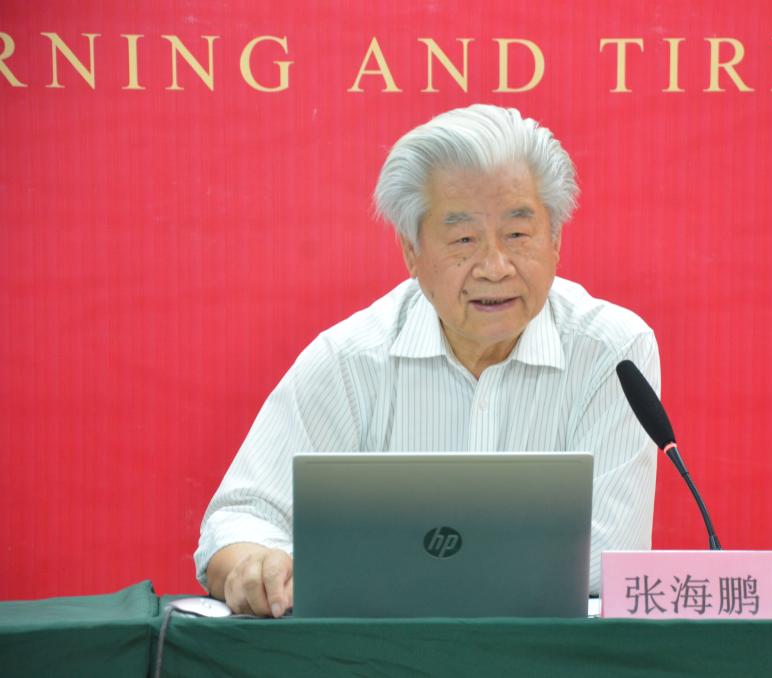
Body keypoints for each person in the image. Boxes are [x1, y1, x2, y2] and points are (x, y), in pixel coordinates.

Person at [194, 104, 661, 617]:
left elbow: (611, 560)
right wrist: (258, 565)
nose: (494, 267)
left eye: (518, 235)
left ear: (555, 242)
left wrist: (391, 570)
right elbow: (238, 520)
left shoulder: (612, 352)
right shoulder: (350, 360)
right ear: (411, 252)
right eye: (463, 240)